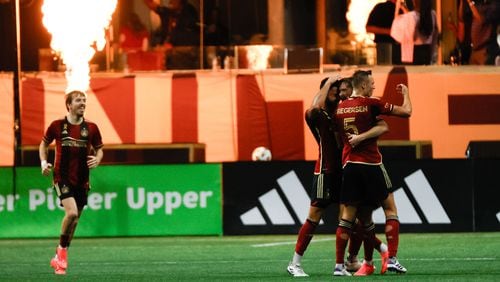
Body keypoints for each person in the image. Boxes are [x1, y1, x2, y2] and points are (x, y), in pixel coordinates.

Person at [286, 76, 389, 277]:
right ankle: (295, 263)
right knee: (314, 217)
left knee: (355, 219)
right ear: (325, 89)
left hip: (344, 170)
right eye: (333, 88)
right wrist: (327, 82)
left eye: (339, 89)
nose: (337, 92)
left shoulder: (340, 112)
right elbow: (315, 105)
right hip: (325, 171)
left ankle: (353, 261)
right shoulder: (317, 114)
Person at [333, 70, 412, 276]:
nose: (374, 86)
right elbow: (406, 112)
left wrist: (357, 138)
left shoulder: (339, 108)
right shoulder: (371, 103)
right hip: (370, 164)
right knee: (390, 209)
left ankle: (341, 266)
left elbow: (339, 139)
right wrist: (405, 93)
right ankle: (392, 258)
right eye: (372, 83)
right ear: (363, 85)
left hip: (349, 165)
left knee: (351, 217)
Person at [39, 90, 103, 275]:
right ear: (69, 105)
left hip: (82, 180)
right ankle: (61, 251)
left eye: (84, 100)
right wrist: (44, 162)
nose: (83, 103)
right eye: (78, 100)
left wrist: (97, 159)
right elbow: (43, 144)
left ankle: (60, 256)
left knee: (75, 221)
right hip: (62, 176)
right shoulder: (57, 125)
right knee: (72, 212)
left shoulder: (91, 127)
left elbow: (99, 149)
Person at [143, 0, 200, 69]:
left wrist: (170, 45)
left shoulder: (189, 13)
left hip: (184, 60)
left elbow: (190, 37)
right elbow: (151, 4)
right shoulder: (167, 13)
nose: (170, 1)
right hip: (168, 59)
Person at [391, 0, 439, 65]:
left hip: (411, 56)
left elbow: (396, 33)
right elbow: (435, 36)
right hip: (426, 54)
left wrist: (397, 9)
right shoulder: (432, 14)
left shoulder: (411, 17)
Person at [366, 0, 402, 65]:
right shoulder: (380, 7)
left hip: (402, 47)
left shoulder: (402, 8)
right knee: (385, 70)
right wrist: (390, 32)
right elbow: (369, 28)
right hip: (384, 46)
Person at [465, 0, 499, 65]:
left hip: (485, 51)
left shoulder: (494, 4)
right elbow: (463, 17)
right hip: (474, 50)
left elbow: (481, 19)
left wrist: (470, 3)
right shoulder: (480, 3)